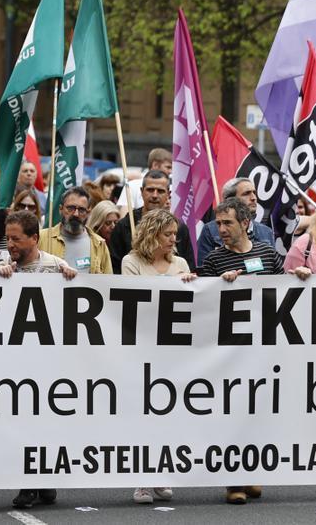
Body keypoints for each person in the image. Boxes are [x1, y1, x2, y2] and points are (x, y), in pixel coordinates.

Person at [194, 198, 278, 504]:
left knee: (257, 413)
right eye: (218, 223)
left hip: (264, 348)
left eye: (227, 222)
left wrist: (302, 275)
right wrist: (217, 283)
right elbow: (202, 304)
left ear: (245, 223)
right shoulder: (215, 261)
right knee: (232, 413)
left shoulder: (267, 253)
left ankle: (251, 470)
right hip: (230, 352)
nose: (221, 229)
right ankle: (233, 481)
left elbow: (284, 289)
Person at [0, 210, 76, 509]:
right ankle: (29, 482)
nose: (11, 244)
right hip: (18, 363)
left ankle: (45, 477)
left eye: (16, 239)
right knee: (24, 423)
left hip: (52, 363)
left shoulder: (56, 267)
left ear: (34, 238)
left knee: (48, 423)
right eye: (8, 238)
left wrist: (71, 277)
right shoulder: (5, 269)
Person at [122, 208, 195, 502]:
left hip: (173, 350)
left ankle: (161, 473)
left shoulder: (180, 263)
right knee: (144, 415)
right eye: (168, 234)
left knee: (168, 414)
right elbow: (133, 299)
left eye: (175, 234)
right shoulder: (131, 262)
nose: (173, 240)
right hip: (141, 349)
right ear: (152, 234)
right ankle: (141, 479)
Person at [108, 170, 196, 272]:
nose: (154, 195)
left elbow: (189, 268)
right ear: (141, 191)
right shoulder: (124, 226)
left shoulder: (179, 228)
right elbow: (114, 269)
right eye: (150, 190)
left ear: (169, 193)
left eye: (160, 191)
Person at [196, 178, 274, 265]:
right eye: (246, 194)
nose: (253, 198)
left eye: (254, 193)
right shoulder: (210, 230)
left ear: (245, 224)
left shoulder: (266, 232)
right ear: (230, 200)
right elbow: (204, 271)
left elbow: (274, 269)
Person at [38, 187, 113, 274]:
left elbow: (108, 281)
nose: (76, 214)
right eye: (71, 208)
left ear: (88, 213)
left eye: (81, 210)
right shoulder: (41, 238)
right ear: (60, 209)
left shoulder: (99, 244)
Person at [124, 148, 172, 212]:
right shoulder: (132, 186)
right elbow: (125, 213)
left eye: (161, 191)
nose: (155, 195)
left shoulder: (172, 188)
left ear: (168, 194)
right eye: (168, 167)